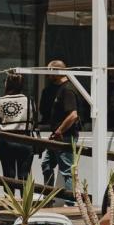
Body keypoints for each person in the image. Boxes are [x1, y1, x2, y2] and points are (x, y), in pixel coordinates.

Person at [40, 60, 80, 193]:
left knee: (67, 171)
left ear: (56, 71)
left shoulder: (68, 89)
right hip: (57, 136)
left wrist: (59, 131)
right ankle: (48, 197)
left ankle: (71, 201)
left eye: (49, 71)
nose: (47, 75)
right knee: (46, 164)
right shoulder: (54, 89)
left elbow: (73, 115)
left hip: (66, 136)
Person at [0, 72, 37, 181]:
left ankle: (8, 192)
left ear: (7, 84)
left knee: (8, 176)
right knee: (24, 177)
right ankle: (25, 193)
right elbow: (33, 118)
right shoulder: (29, 100)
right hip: (25, 140)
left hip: (6, 141)